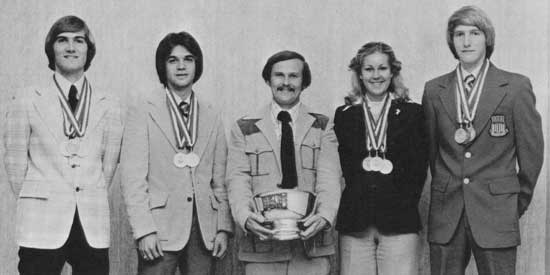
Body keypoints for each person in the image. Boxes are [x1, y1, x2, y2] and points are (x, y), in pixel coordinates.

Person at [422, 6, 544, 275]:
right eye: (459, 34)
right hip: (447, 214)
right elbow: (432, 154)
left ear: (487, 38)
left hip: (496, 213)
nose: (466, 41)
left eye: (474, 33)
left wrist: (511, 204)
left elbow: (532, 155)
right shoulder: (434, 89)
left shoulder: (515, 86)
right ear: (451, 42)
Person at [3, 15, 123, 275]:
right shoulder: (26, 99)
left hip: (91, 220)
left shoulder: (109, 104)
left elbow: (108, 166)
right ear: (51, 49)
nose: (71, 47)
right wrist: (42, 195)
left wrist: (85, 189)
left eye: (79, 41)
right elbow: (15, 166)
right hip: (41, 221)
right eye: (63, 40)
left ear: (88, 50)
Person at [120, 31, 233, 275]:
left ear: (197, 65)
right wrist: (144, 231)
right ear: (163, 66)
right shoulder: (143, 112)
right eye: (173, 60)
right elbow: (133, 180)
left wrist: (223, 227)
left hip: (204, 231)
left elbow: (220, 181)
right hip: (159, 230)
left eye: (188, 59)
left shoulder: (212, 114)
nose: (181, 66)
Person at [226, 50, 341, 275]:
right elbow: (237, 180)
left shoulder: (323, 126)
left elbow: (329, 178)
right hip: (262, 249)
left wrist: (324, 217)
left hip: (311, 249)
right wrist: (246, 218)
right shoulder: (244, 128)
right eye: (279, 75)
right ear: (268, 79)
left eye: (294, 76)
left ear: (304, 82)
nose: (286, 83)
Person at [328, 42, 428, 275]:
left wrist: (399, 206)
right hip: (356, 221)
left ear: (392, 72)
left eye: (382, 68)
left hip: (399, 220)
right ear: (359, 74)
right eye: (369, 69)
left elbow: (418, 170)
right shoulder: (344, 115)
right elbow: (342, 169)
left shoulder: (413, 113)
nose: (376, 76)